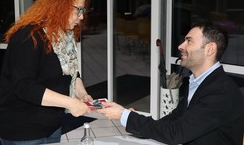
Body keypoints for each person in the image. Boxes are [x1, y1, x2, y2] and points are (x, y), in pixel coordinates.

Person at [97, 22, 244, 145]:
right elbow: (173, 121)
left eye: (189, 41)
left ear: (210, 49)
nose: (181, 45)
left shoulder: (220, 92)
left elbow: (177, 133)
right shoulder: (200, 82)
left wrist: (125, 115)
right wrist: (132, 120)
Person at [0, 0, 93, 144]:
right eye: (78, 10)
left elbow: (71, 72)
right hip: (22, 128)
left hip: (52, 124)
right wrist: (70, 103)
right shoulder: (28, 36)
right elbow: (24, 87)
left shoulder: (64, 36)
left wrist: (81, 94)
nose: (81, 17)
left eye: (83, 11)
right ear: (59, 5)